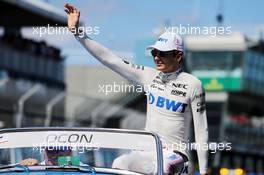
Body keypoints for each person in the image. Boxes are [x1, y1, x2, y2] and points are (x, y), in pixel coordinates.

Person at [64, 3, 209, 175]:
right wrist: (79, 34)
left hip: (175, 156)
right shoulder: (148, 76)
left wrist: (204, 171)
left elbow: (202, 131)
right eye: (154, 53)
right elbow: (110, 59)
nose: (156, 57)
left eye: (162, 53)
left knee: (164, 168)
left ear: (178, 55)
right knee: (120, 162)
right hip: (147, 151)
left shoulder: (193, 84)